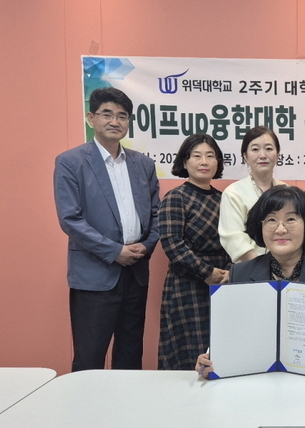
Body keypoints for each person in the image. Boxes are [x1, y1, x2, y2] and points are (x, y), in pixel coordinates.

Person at [196, 186, 305, 379]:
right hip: (256, 378)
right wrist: (211, 358)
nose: (280, 229)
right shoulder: (240, 274)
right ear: (260, 226)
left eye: (291, 219)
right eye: (271, 220)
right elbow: (229, 334)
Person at [53, 87, 159, 371]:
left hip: (136, 273)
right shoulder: (71, 162)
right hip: (94, 275)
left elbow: (156, 214)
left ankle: (127, 402)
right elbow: (70, 219)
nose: (115, 121)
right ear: (91, 118)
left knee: (130, 356)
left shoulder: (143, 164)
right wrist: (114, 252)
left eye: (122, 116)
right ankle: (86, 403)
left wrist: (146, 245)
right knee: (89, 357)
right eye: (107, 114)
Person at [157, 134, 231, 371]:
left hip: (223, 284)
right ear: (185, 161)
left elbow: (235, 240)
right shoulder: (175, 197)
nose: (204, 162)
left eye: (210, 156)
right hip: (186, 286)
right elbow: (172, 244)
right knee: (187, 355)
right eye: (197, 156)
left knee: (221, 352)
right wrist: (207, 272)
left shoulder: (225, 200)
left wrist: (228, 272)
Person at [219, 126, 286, 263]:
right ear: (245, 156)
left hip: (286, 268)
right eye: (255, 149)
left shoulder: (287, 192)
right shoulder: (233, 193)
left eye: (268, 149)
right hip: (250, 269)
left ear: (278, 155)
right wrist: (262, 269)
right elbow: (233, 238)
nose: (263, 155)